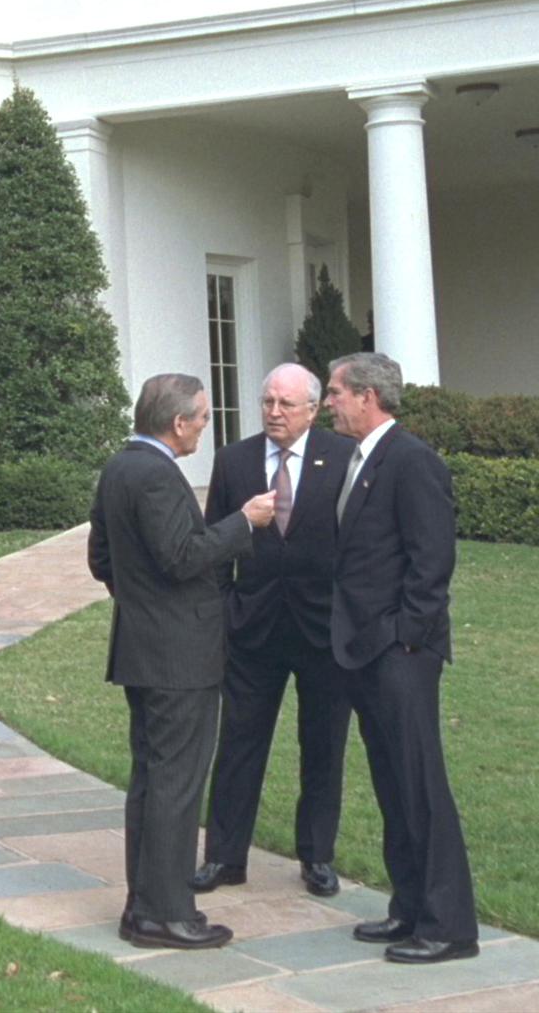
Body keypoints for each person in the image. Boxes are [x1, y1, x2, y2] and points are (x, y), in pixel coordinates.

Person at [88, 373, 276, 951]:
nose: (204, 427)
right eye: (201, 418)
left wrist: (140, 601)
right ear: (177, 423)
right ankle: (166, 913)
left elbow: (101, 559)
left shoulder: (118, 468)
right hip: (178, 657)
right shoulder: (156, 475)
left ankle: (143, 906)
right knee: (175, 784)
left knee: (151, 779)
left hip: (143, 650)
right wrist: (244, 522)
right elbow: (181, 557)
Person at [324, 352, 479, 965]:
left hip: (399, 654)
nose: (328, 401)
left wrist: (403, 637)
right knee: (392, 784)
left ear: (367, 396)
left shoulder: (412, 461)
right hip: (363, 650)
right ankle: (409, 907)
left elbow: (432, 560)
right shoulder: (359, 460)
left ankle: (448, 926)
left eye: (335, 392)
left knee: (419, 785)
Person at [191, 363, 355, 899]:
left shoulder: (342, 460)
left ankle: (317, 856)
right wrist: (222, 613)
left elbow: (356, 546)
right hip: (253, 628)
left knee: (323, 744)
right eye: (267, 402)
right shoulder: (234, 460)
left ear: (312, 409)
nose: (274, 413)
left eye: (286, 404)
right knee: (239, 742)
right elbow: (215, 543)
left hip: (322, 631)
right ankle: (223, 856)